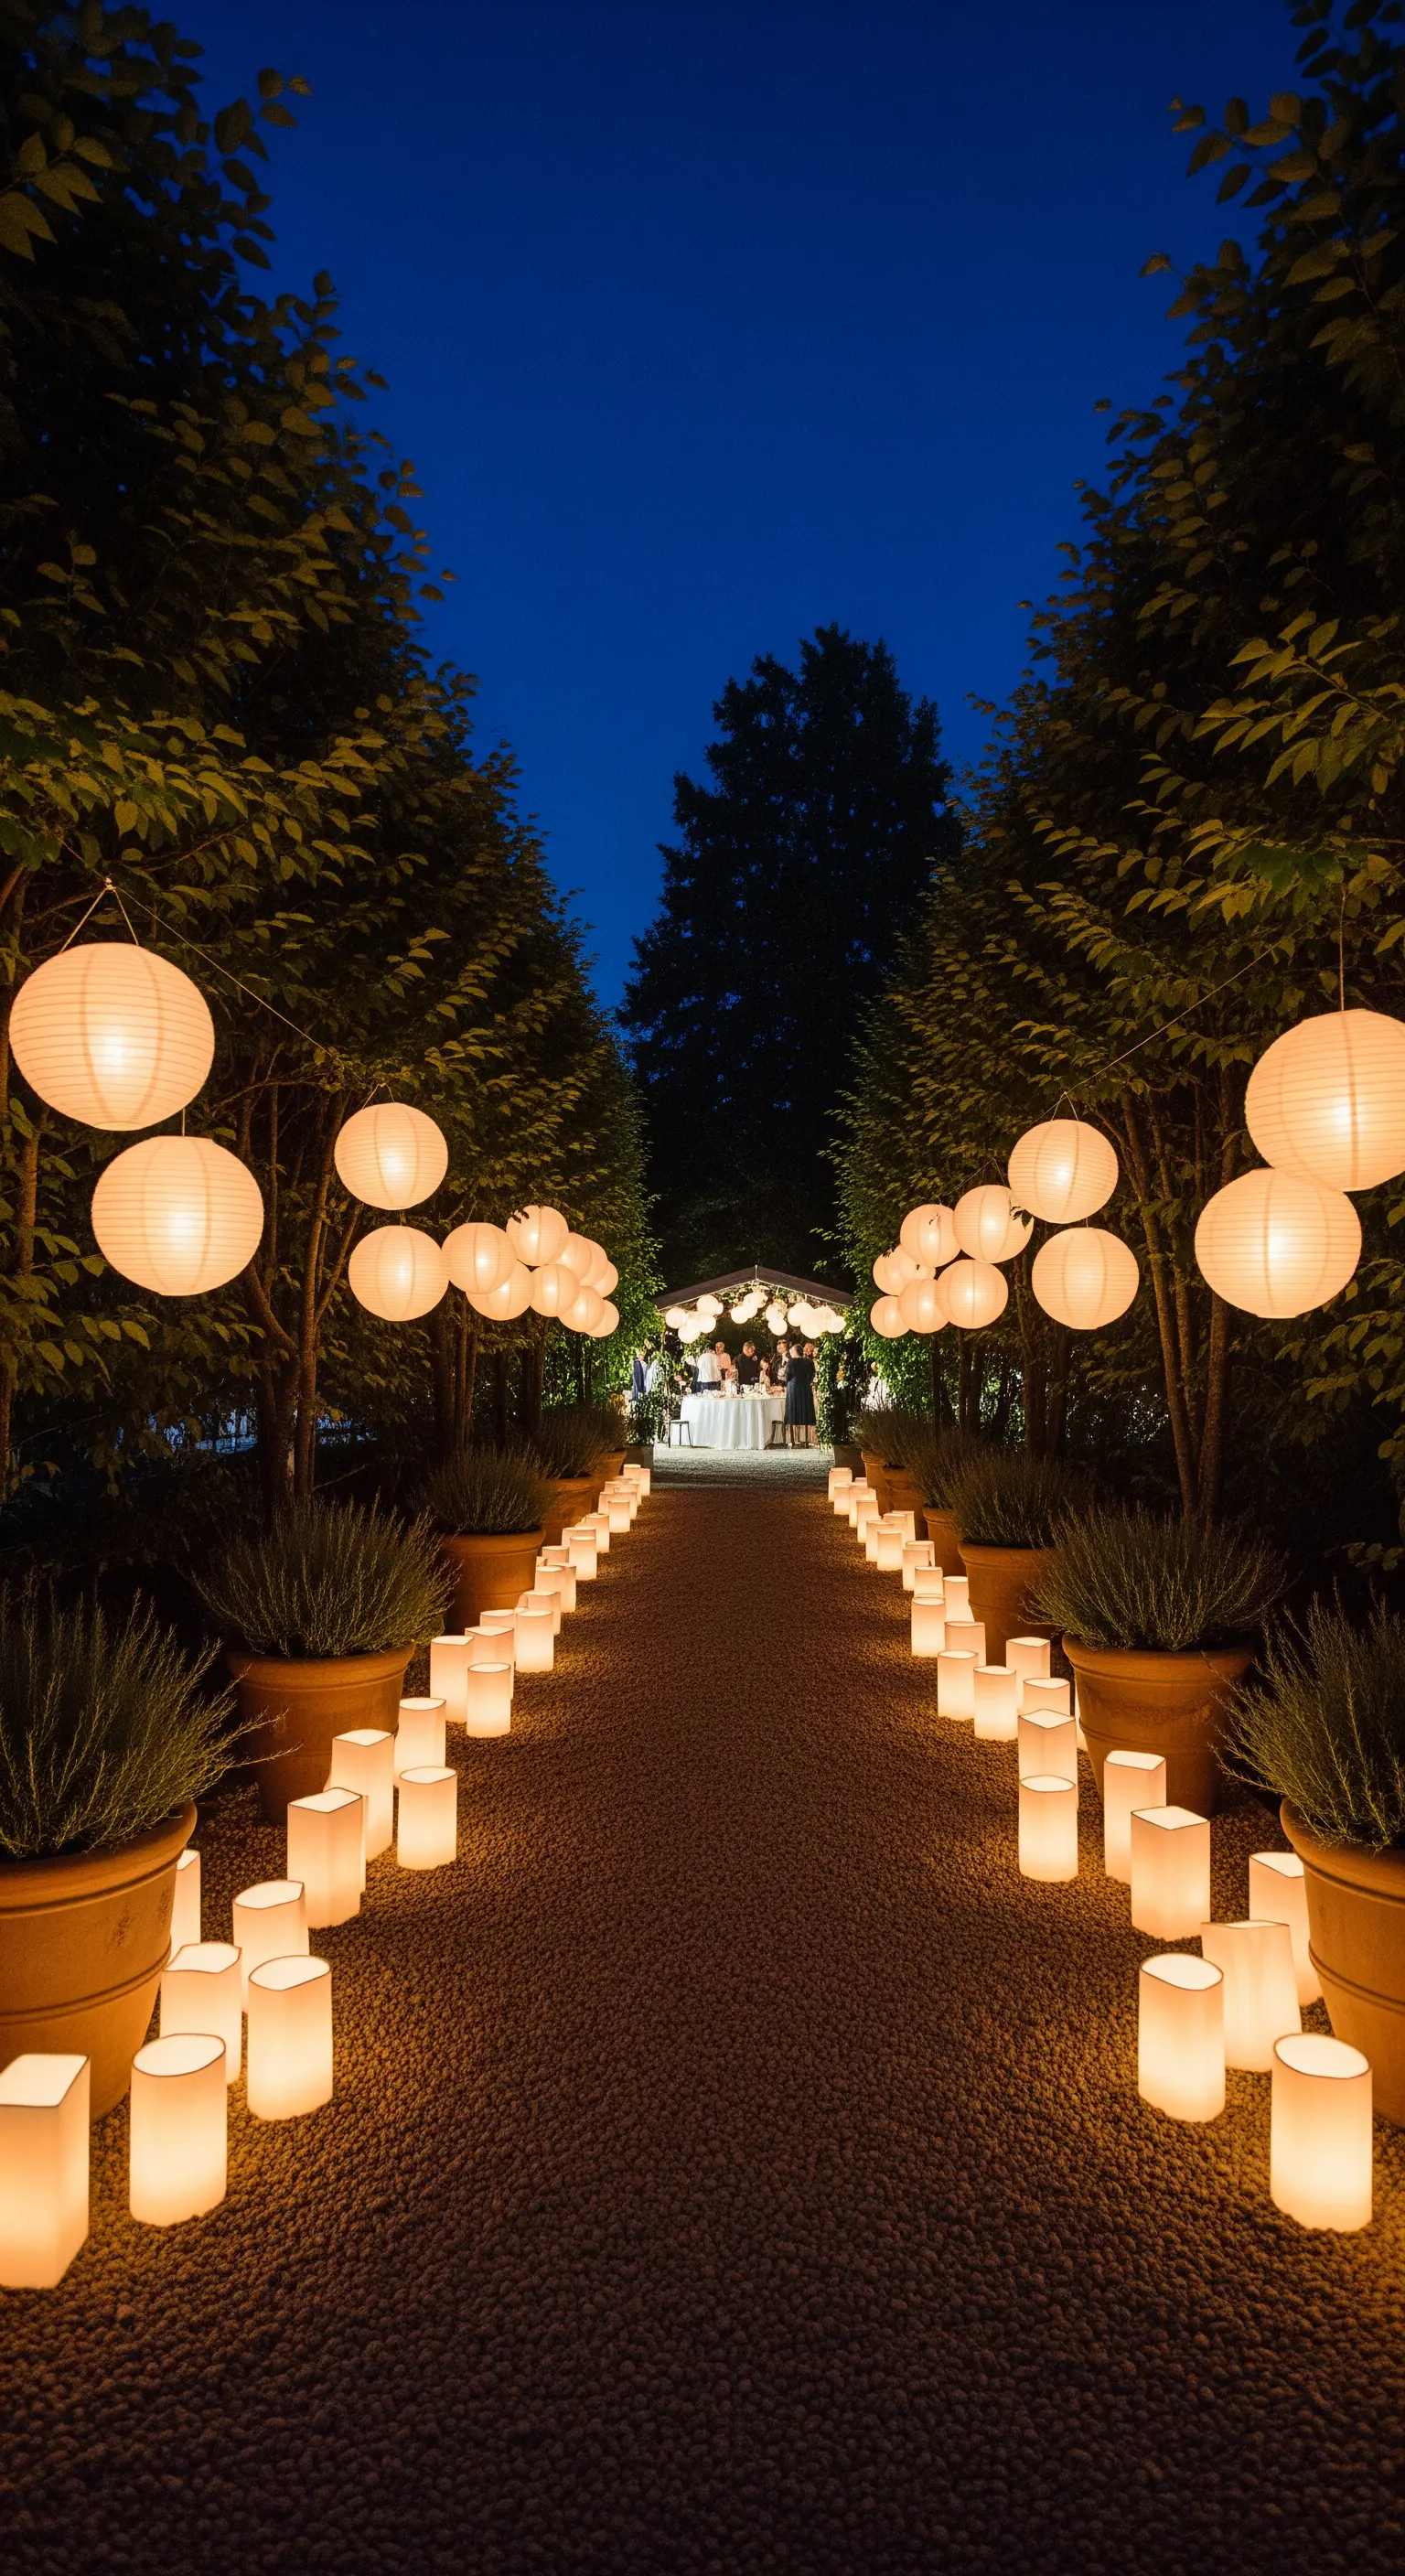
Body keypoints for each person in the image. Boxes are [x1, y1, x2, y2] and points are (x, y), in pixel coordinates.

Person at [784, 1340, 817, 1447]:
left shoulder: (791, 1362)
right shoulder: (809, 1361)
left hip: (793, 1389)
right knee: (805, 1411)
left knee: (793, 1411)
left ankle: (793, 1440)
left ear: (795, 1352)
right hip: (805, 1388)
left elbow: (787, 1376)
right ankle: (807, 1440)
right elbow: (812, 1374)